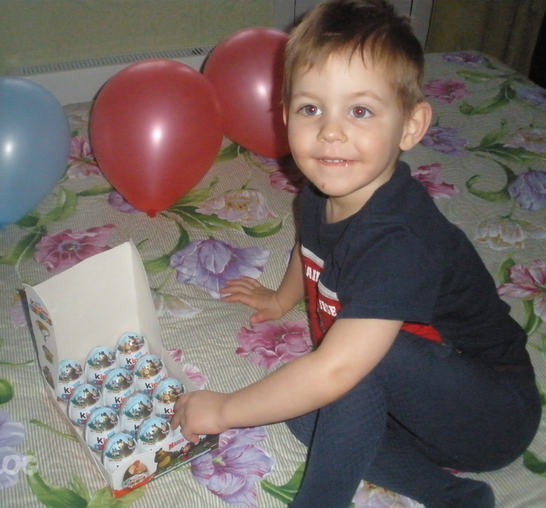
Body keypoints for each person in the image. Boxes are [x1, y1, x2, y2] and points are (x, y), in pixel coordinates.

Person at [170, 1, 542, 507]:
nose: (331, 131)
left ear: (411, 126)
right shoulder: (319, 193)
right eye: (311, 109)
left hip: (490, 414)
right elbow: (310, 246)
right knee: (300, 408)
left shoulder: (400, 240)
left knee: (341, 369)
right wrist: (281, 299)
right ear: (285, 116)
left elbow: (340, 369)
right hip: (412, 416)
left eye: (360, 111)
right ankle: (455, 496)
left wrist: (222, 410)